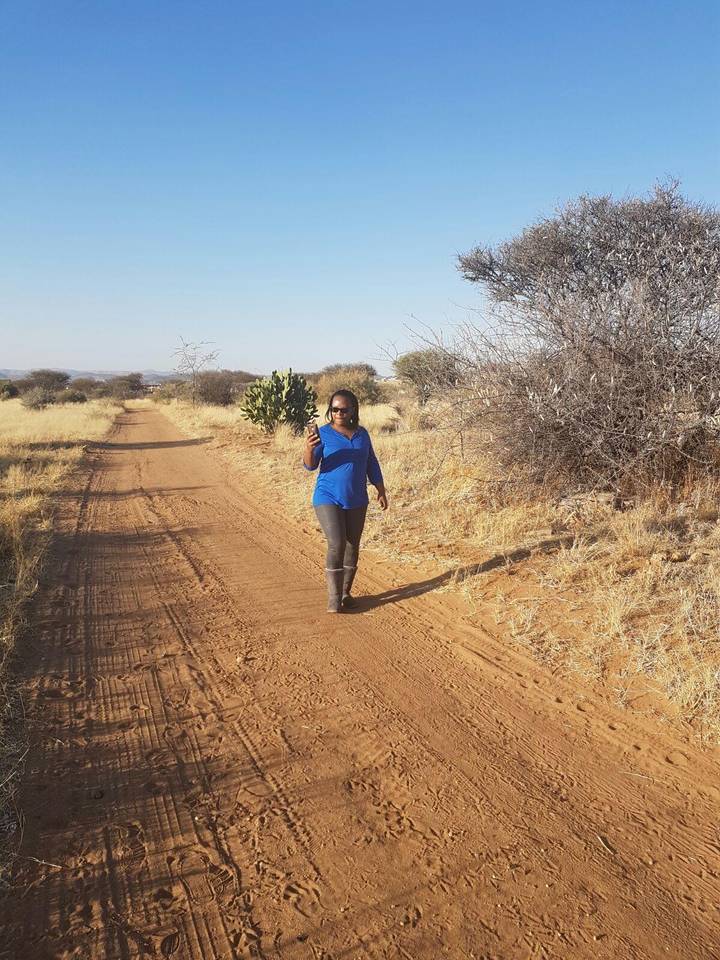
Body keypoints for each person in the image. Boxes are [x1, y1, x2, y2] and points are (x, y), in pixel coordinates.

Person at [303, 389, 388, 613]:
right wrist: (309, 448)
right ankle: (334, 599)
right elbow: (310, 465)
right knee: (337, 542)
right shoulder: (323, 434)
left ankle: (345, 593)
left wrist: (380, 489)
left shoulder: (362, 434)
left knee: (352, 546)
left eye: (343, 409)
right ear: (330, 411)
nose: (339, 413)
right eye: (334, 409)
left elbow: (371, 462)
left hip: (357, 497)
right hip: (327, 496)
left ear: (353, 410)